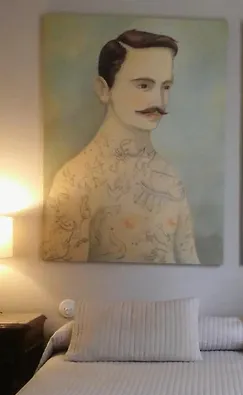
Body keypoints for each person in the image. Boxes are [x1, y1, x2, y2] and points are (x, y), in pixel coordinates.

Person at [42, 29, 200, 264]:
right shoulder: (75, 181)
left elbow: (190, 264)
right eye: (144, 85)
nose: (159, 101)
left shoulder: (169, 177)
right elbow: (64, 278)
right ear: (104, 90)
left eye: (166, 86)